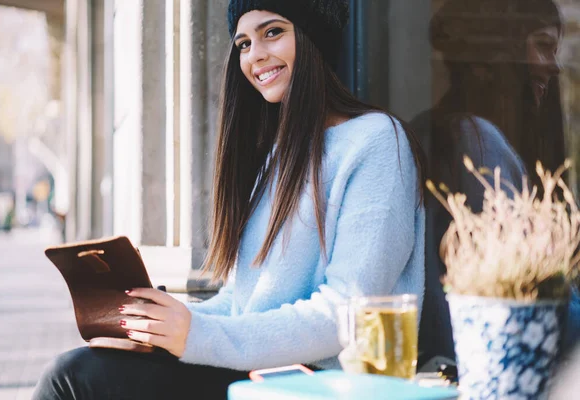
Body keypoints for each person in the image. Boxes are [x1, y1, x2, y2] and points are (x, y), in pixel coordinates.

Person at [32, 1, 426, 399]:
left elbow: (350, 310)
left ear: (313, 38)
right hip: (259, 370)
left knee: (74, 377)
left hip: (321, 382)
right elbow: (241, 303)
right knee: (74, 368)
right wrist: (154, 326)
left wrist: (196, 334)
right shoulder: (278, 157)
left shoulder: (376, 141)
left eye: (272, 32)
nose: (255, 55)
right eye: (243, 43)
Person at [411, 0, 577, 367]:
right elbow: (521, 297)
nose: (554, 66)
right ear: (499, 55)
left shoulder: (433, 128)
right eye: (544, 46)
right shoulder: (478, 142)